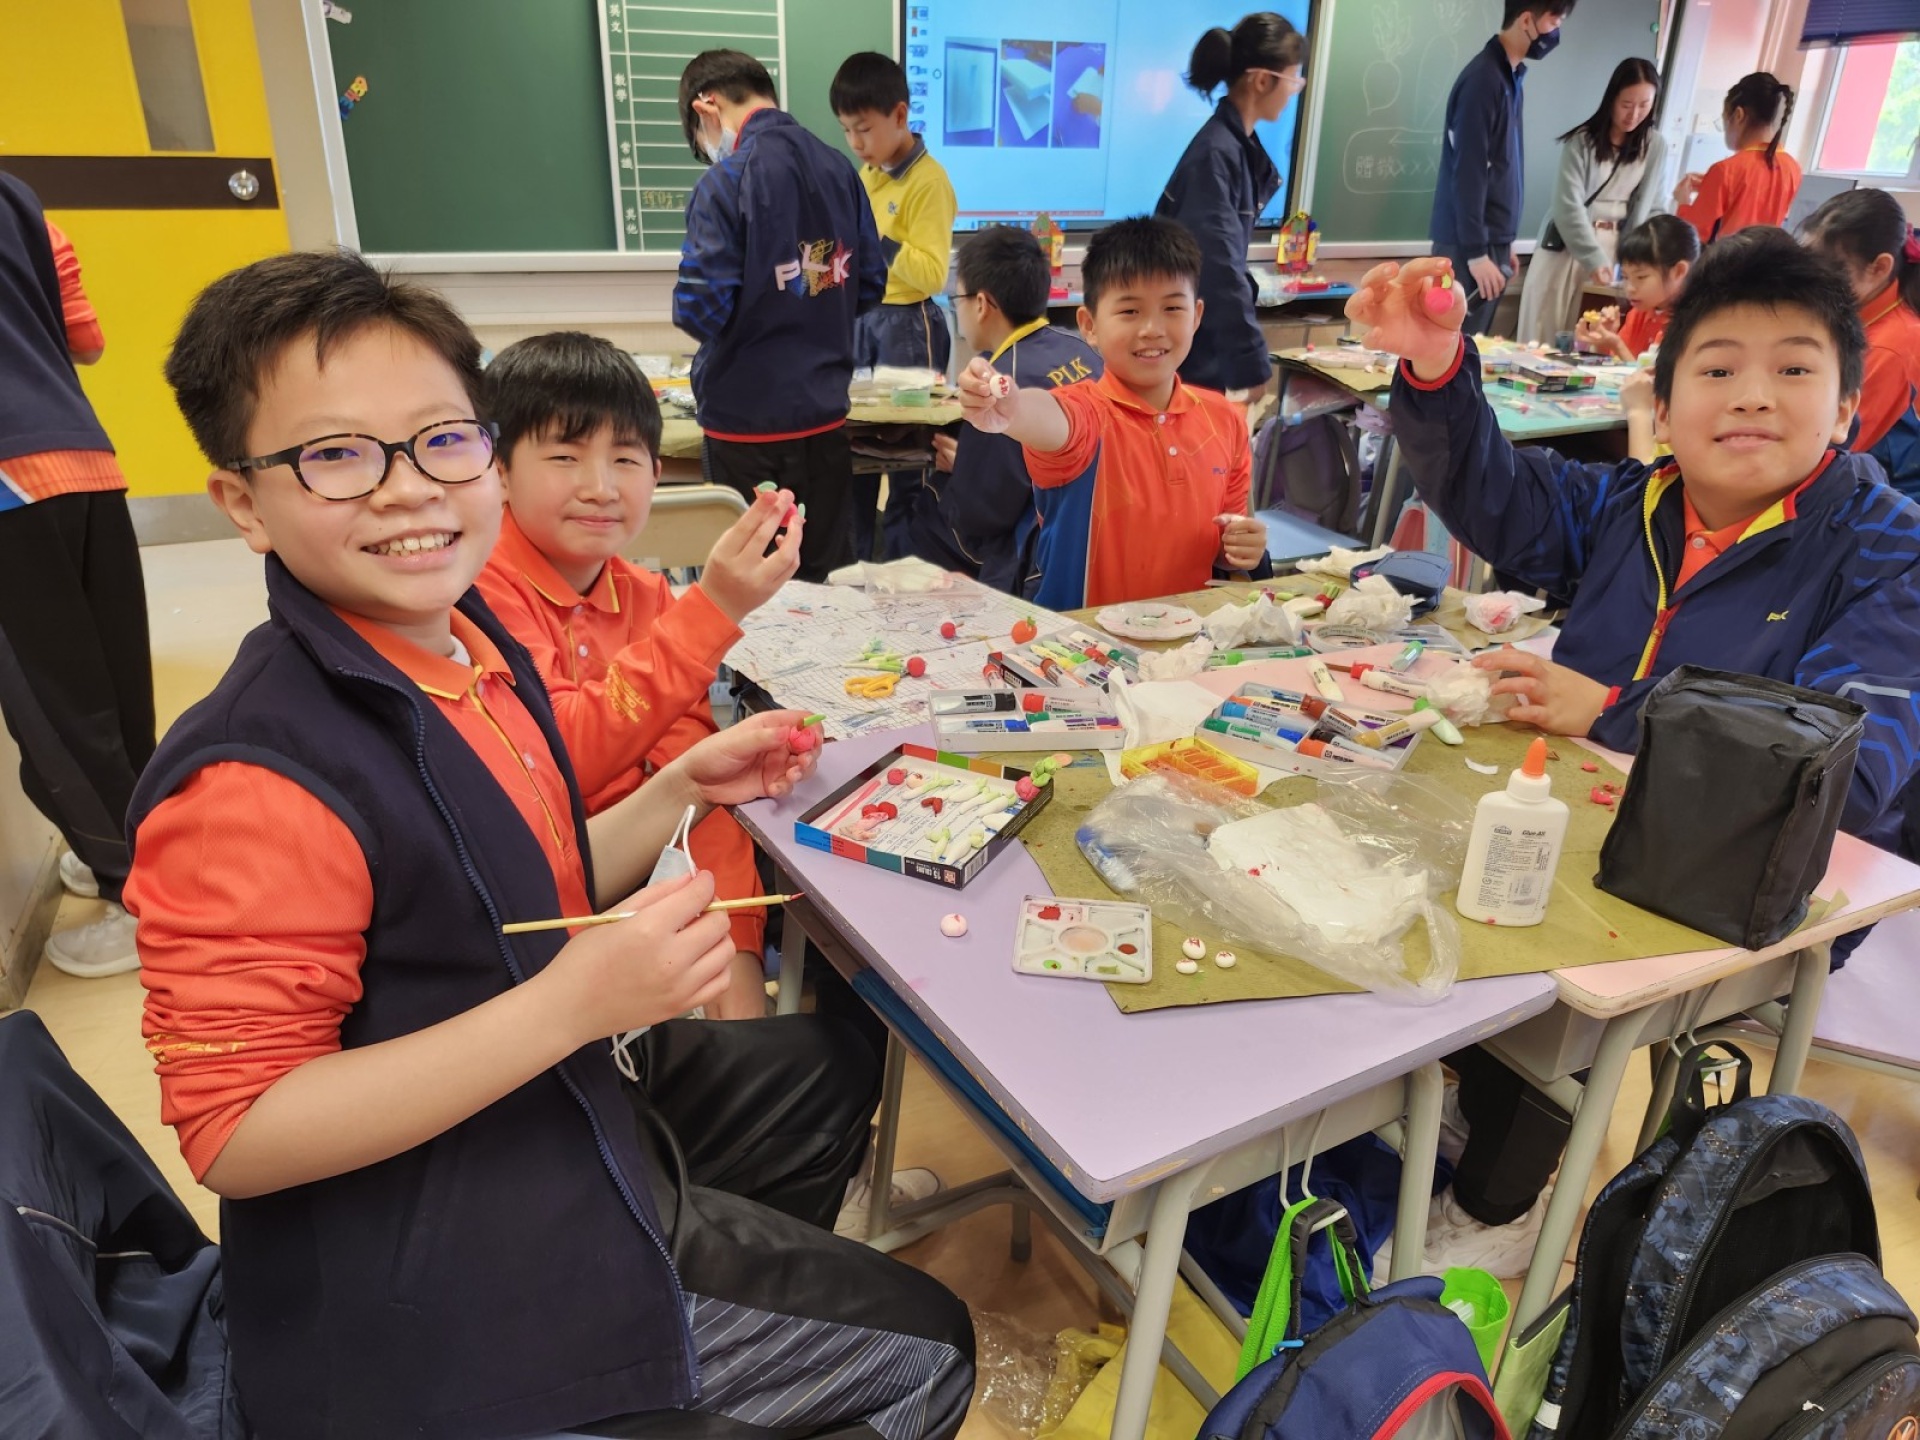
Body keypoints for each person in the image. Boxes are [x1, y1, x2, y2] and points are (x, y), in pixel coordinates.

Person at [139, 249, 975, 1439]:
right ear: (242, 503)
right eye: (336, 455)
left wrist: (680, 783)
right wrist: (569, 1007)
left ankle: (686, 1299)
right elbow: (238, 1132)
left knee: (826, 1068)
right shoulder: (252, 777)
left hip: (548, 1093)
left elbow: (513, 869)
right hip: (426, 1248)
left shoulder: (463, 645)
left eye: (441, 439)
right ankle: (636, 1355)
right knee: (927, 1353)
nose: (408, 490)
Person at [1345, 229, 1920, 1275]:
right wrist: (1434, 367)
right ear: (1665, 398)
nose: (1753, 398)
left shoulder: (1888, 548)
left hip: (1750, 883)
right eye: (1718, 370)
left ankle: (1499, 1205)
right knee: (1410, 855)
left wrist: (1615, 709)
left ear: (1847, 407)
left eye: (1795, 370)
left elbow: (1848, 761)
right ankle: (1478, 1108)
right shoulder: (1639, 502)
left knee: (1539, 957)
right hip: (1587, 812)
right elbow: (1505, 498)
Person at [475, 332, 799, 1021]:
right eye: (564, 457)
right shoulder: (479, 593)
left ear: (656, 472)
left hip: (655, 865)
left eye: (625, 459)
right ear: (498, 470)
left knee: (724, 813)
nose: (600, 487)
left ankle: (743, 1021)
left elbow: (687, 759)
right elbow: (561, 756)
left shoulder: (642, 592)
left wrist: (735, 948)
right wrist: (715, 607)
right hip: (544, 894)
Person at [0, 171, 156, 978]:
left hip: (7, 485)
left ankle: (141, 898)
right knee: (118, 692)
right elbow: (85, 340)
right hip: (85, 458)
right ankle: (140, 848)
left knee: (57, 712)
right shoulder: (18, 198)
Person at [957, 217, 1268, 609]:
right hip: (1084, 640)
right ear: (1089, 325)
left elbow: (1225, 542)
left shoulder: (1224, 419)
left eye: (1173, 307)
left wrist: (1241, 547)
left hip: (1187, 637)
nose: (1152, 328)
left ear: (1197, 316)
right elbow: (1052, 418)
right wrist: (1012, 408)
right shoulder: (1088, 414)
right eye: (1130, 311)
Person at [673, 50, 885, 584]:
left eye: (700, 140)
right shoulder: (840, 169)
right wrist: (811, 302)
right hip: (825, 418)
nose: (708, 150)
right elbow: (870, 284)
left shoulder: (724, 182)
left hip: (746, 425)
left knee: (750, 586)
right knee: (827, 584)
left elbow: (699, 310)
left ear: (706, 107)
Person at [903, 225, 1101, 594]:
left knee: (923, 508)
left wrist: (966, 466)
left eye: (957, 299)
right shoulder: (1081, 348)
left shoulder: (994, 387)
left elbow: (980, 515)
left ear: (981, 304)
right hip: (1094, 535)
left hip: (1034, 557)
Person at [832, 51, 958, 562]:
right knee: (856, 457)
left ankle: (910, 575)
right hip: (863, 321)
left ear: (900, 115)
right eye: (846, 131)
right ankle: (856, 572)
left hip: (908, 328)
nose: (855, 143)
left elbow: (931, 274)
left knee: (908, 463)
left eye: (863, 129)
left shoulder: (929, 182)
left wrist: (876, 239)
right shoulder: (869, 173)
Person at [1155, 13, 1306, 406]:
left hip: (1193, 343)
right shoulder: (1217, 154)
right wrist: (1250, 362)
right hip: (1185, 352)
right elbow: (1217, 265)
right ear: (1262, 80)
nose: (1293, 92)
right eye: (1293, 80)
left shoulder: (1232, 148)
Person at [1430, 0, 1578, 337]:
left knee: (1471, 347)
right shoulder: (1483, 81)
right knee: (1451, 346)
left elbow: (1500, 167)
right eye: (1554, 22)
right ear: (1526, 20)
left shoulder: (1509, 77)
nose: (1556, 33)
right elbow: (1469, 173)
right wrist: (1477, 254)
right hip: (1466, 246)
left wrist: (1504, 240)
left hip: (1488, 241)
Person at [1516, 58, 1666, 346]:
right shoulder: (1582, 142)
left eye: (1644, 105)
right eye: (1626, 104)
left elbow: (1653, 207)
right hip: (1566, 248)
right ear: (1612, 99)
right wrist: (1593, 257)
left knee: (1590, 340)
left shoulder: (1655, 145)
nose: (1634, 114)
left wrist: (1642, 258)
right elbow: (1567, 205)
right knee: (1544, 335)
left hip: (1616, 252)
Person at [1799, 187, 1920, 500]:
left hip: (1885, 494)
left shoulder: (1891, 347)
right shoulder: (1860, 310)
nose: (1814, 283)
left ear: (1879, 267)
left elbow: (1833, 449)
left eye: (1831, 272)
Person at [1674, 72, 1800, 243]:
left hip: (1728, 257)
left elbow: (1694, 235)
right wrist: (1709, 184)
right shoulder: (1792, 167)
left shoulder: (1726, 170)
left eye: (1724, 119)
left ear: (1739, 115)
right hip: (1767, 256)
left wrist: (1683, 202)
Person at [1575, 213, 1699, 361]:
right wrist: (1603, 341)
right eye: (1625, 277)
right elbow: (1615, 368)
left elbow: (1654, 376)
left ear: (1679, 271)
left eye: (1641, 277)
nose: (1630, 288)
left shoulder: (1695, 323)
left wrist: (1616, 344)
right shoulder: (1639, 313)